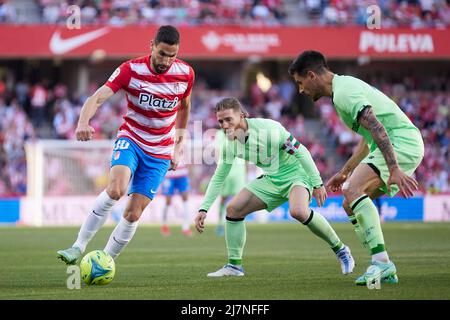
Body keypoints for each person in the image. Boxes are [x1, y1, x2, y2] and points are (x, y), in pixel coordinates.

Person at [57, 25, 195, 264]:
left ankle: (105, 261)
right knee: (116, 190)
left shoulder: (185, 73)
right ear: (151, 45)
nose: (166, 61)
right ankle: (77, 246)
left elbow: (184, 106)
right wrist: (83, 121)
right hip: (131, 139)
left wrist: (178, 144)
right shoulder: (130, 70)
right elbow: (98, 96)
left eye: (172, 55)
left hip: (160, 151)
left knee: (133, 213)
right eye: (162, 53)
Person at [288, 50, 424, 286]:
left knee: (353, 190)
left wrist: (393, 169)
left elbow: (378, 128)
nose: (301, 90)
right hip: (396, 143)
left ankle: (381, 263)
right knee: (349, 203)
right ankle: (384, 266)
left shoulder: (344, 93)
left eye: (300, 83)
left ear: (312, 75)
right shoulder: (343, 90)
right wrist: (345, 171)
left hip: (401, 142)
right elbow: (367, 135)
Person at [194, 97, 354, 277]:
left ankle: (341, 250)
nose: (224, 125)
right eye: (220, 121)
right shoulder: (230, 144)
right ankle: (234, 266)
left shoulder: (268, 129)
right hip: (271, 178)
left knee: (298, 211)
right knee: (233, 209)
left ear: (242, 116)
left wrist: (317, 183)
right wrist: (204, 208)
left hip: (297, 174)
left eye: (228, 119)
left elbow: (301, 151)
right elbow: (219, 177)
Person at [215, 129, 247, 237]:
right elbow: (218, 152)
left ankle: (236, 226)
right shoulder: (219, 134)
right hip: (226, 171)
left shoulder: (241, 132)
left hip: (239, 171)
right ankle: (220, 223)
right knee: (223, 199)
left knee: (239, 200)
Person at [160, 158, 192, 236]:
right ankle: (164, 225)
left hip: (182, 174)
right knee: (168, 201)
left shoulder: (185, 145)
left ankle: (186, 227)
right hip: (169, 175)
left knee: (185, 198)